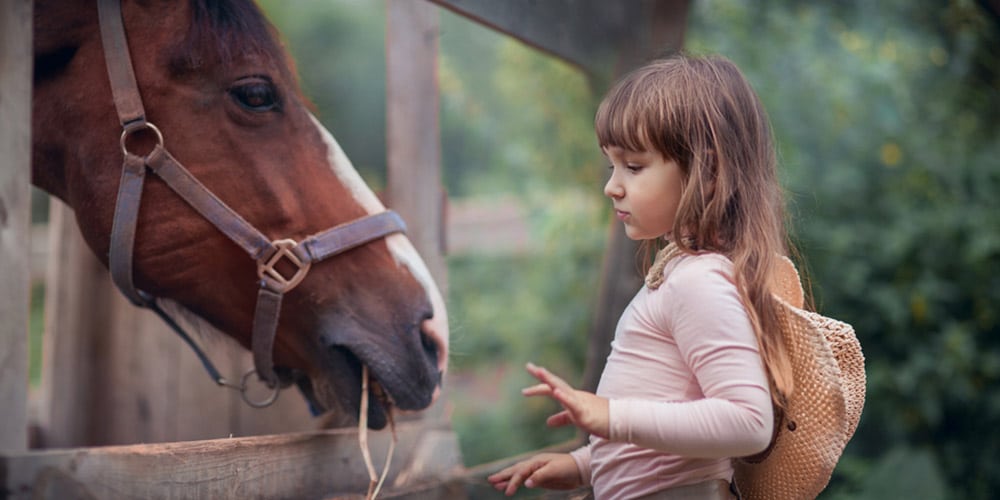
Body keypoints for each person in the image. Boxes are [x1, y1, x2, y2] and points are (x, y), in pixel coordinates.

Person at [488, 54, 800, 499]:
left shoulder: (699, 282)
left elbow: (748, 422)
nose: (612, 185)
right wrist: (585, 465)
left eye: (633, 167)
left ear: (707, 172)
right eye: (611, 165)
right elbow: (670, 429)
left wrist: (610, 416)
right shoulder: (681, 272)